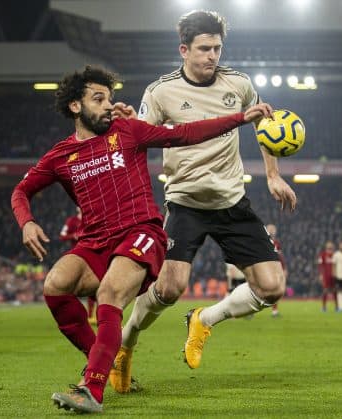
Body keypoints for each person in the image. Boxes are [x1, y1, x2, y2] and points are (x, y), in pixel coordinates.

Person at [10, 66, 273, 414]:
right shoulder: (60, 156)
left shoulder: (127, 130)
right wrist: (26, 222)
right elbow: (21, 191)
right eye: (98, 99)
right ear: (76, 106)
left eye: (110, 98)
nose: (109, 106)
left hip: (140, 232)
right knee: (56, 284)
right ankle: (103, 359)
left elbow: (185, 133)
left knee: (109, 294)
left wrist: (239, 118)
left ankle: (91, 388)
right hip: (95, 241)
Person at [111, 10, 297, 390]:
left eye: (217, 47)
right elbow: (138, 138)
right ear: (184, 50)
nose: (213, 55)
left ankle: (204, 320)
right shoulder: (160, 91)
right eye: (205, 49)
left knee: (272, 286)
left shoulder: (239, 83)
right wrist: (131, 123)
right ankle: (126, 344)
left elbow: (266, 122)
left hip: (232, 201)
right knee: (168, 289)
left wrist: (274, 175)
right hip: (185, 202)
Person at [59, 207, 96, 323]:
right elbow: (62, 236)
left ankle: (90, 316)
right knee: (69, 287)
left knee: (93, 286)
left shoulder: (92, 220)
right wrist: (73, 236)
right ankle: (70, 314)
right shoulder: (71, 221)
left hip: (90, 255)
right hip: (75, 257)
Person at [317, 241, 338, 312]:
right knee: (325, 290)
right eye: (328, 245)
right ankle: (324, 307)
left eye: (331, 245)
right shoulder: (323, 255)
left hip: (334, 276)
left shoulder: (335, 255)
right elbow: (320, 265)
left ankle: (337, 307)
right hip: (326, 276)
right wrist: (320, 274)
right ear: (326, 246)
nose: (330, 246)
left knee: (335, 291)